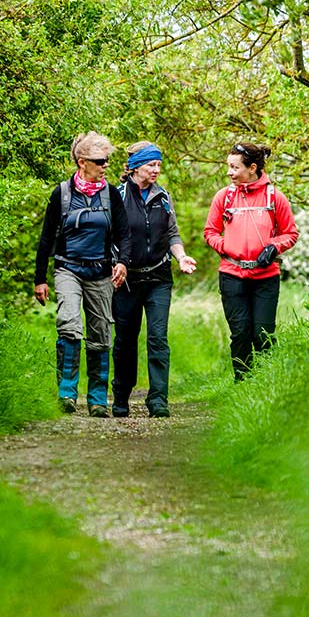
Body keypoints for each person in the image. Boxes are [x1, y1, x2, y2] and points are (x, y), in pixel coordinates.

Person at [34, 132, 133, 417]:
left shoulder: (111, 194)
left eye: (107, 160)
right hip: (68, 268)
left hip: (100, 271)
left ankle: (98, 399)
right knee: (69, 324)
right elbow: (46, 238)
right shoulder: (62, 194)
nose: (105, 166)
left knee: (101, 333)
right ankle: (67, 393)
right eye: (100, 161)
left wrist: (123, 262)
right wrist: (40, 279)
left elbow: (123, 234)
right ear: (82, 162)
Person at [109, 142, 197, 419]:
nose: (156, 170)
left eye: (159, 165)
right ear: (136, 167)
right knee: (125, 339)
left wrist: (181, 257)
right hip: (126, 280)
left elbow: (172, 234)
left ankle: (158, 400)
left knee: (158, 337)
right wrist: (114, 265)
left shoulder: (163, 197)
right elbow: (108, 235)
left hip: (159, 276)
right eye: (151, 165)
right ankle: (121, 396)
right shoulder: (117, 196)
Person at [203, 141, 299, 381]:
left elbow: (291, 233)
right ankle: (243, 383)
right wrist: (226, 246)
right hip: (232, 275)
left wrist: (274, 246)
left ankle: (266, 383)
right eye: (228, 167)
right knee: (241, 333)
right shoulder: (223, 197)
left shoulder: (274, 197)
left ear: (253, 168)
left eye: (235, 167)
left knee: (263, 334)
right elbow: (210, 232)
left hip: (265, 278)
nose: (229, 172)